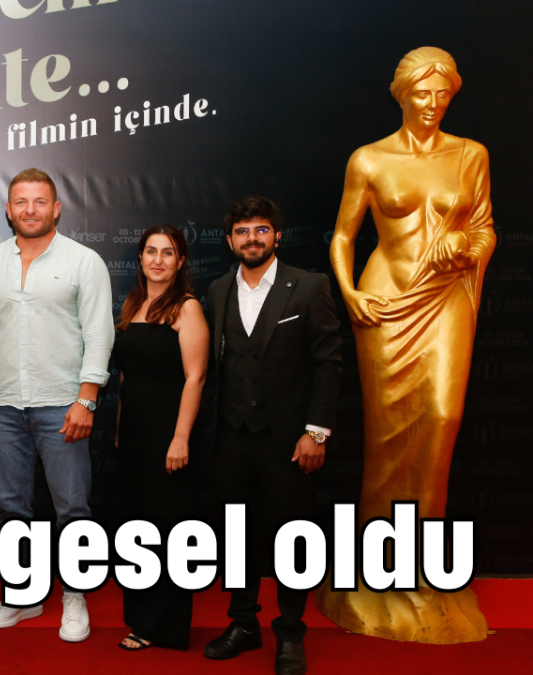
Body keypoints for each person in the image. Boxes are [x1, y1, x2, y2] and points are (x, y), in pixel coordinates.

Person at [318, 47, 493, 643]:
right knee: (386, 436)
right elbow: (344, 237)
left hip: (446, 298)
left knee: (441, 419)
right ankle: (378, 564)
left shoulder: (470, 155)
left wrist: (466, 246)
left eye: (443, 94)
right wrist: (349, 293)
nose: (432, 103)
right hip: (385, 303)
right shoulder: (369, 159)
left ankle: (426, 563)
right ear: (402, 95)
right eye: (422, 93)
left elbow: (485, 227)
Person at [0, 168, 115, 642]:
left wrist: (87, 398)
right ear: (9, 210)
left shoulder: (84, 261)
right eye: (21, 202)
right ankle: (23, 593)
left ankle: (75, 595)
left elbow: (99, 333)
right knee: (11, 508)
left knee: (72, 509)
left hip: (62, 404)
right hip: (3, 403)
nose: (30, 210)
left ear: (56, 208)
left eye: (39, 201)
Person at [201, 196, 341, 675]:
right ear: (229, 241)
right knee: (236, 536)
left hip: (288, 439)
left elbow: (329, 362)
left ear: (277, 236)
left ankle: (291, 633)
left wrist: (316, 433)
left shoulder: (309, 285)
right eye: (242, 231)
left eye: (261, 229)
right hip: (230, 437)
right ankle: (243, 624)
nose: (252, 238)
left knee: (291, 539)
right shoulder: (217, 289)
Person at [112, 226, 208, 653]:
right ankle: (139, 613)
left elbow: (195, 377)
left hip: (169, 434)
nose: (158, 260)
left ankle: (160, 624)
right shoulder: (133, 304)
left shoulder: (187, 308)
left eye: (168, 253)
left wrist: (181, 438)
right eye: (151, 251)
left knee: (166, 527)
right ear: (141, 258)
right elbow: (126, 376)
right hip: (133, 434)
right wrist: (120, 429)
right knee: (137, 526)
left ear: (180, 261)